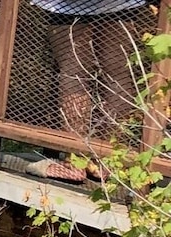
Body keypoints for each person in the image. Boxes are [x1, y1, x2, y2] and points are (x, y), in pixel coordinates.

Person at [33, 0, 151, 140]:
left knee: (74, 72)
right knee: (117, 72)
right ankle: (112, 151)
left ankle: (76, 151)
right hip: (119, 3)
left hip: (69, 5)